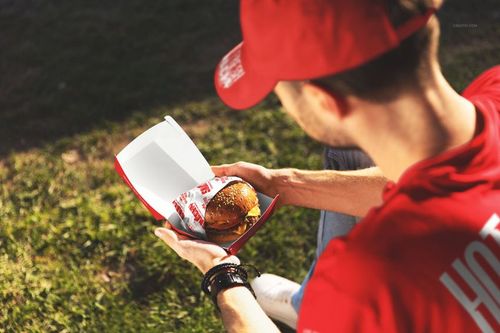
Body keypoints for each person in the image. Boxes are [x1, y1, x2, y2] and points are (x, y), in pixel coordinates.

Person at [154, 0, 500, 332]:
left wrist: (221, 273)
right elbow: (445, 180)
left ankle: (312, 312)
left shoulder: (369, 281)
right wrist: (282, 185)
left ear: (325, 102)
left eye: (277, 91)